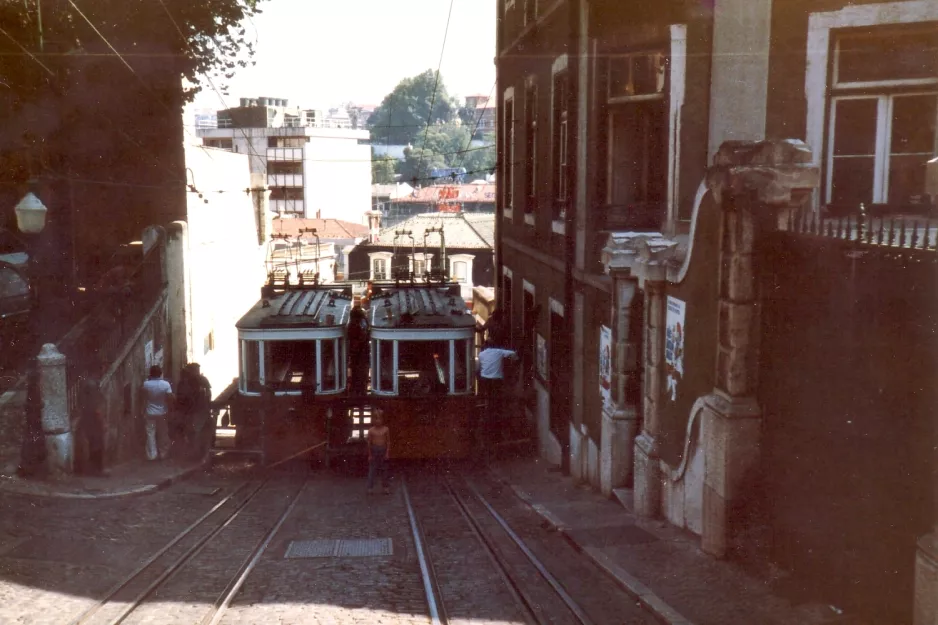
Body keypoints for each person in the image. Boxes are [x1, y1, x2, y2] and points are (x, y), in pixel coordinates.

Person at [477, 341, 519, 445]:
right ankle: (496, 408)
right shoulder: (499, 351)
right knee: (496, 397)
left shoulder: (481, 354)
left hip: (485, 379)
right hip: (496, 379)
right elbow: (513, 354)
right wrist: (514, 360)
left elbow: (479, 366)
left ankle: (486, 405)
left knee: (487, 393)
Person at [176, 363, 212, 461]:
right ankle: (197, 454)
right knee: (195, 432)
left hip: (195, 411)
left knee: (195, 432)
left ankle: (196, 454)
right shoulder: (200, 380)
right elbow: (208, 394)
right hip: (196, 411)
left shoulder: (190, 381)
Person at [74, 377, 106, 475]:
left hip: (87, 425)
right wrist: (103, 423)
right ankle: (97, 469)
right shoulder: (94, 399)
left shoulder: (83, 399)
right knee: (97, 446)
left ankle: (89, 469)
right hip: (95, 426)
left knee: (90, 446)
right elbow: (98, 412)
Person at [141, 365, 173, 461]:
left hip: (150, 412)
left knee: (150, 433)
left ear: (150, 373)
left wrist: (142, 411)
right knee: (163, 433)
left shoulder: (146, 384)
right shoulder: (166, 384)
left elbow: (143, 398)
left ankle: (152, 455)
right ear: (160, 373)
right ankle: (163, 453)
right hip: (162, 412)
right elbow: (170, 398)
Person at [366, 407, 390, 494]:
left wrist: (387, 453)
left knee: (384, 470)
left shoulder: (386, 429)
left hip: (383, 450)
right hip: (374, 450)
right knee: (372, 470)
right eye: (376, 419)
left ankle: (385, 488)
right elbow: (369, 443)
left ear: (382, 419)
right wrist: (370, 454)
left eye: (379, 418)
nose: (378, 421)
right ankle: (370, 488)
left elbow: (388, 442)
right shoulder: (371, 430)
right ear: (373, 420)